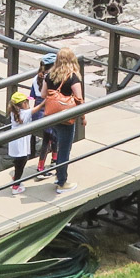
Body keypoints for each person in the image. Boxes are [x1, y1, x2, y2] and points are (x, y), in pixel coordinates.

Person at [41, 47, 85, 194]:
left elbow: (42, 94)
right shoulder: (73, 77)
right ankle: (61, 182)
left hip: (52, 116)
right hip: (66, 117)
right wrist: (83, 118)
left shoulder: (50, 75)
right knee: (65, 149)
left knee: (58, 145)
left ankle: (59, 175)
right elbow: (79, 99)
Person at [30, 52, 58, 179]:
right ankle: (42, 168)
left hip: (38, 109)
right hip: (49, 108)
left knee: (49, 137)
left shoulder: (36, 78)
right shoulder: (52, 77)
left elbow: (33, 95)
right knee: (50, 137)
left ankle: (53, 159)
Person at [7, 92, 38, 195]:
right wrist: (45, 102)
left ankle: (16, 178)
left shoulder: (14, 112)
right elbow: (36, 109)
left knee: (18, 161)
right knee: (22, 161)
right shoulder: (25, 113)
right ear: (23, 103)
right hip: (21, 142)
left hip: (15, 140)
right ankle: (16, 185)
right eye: (27, 101)